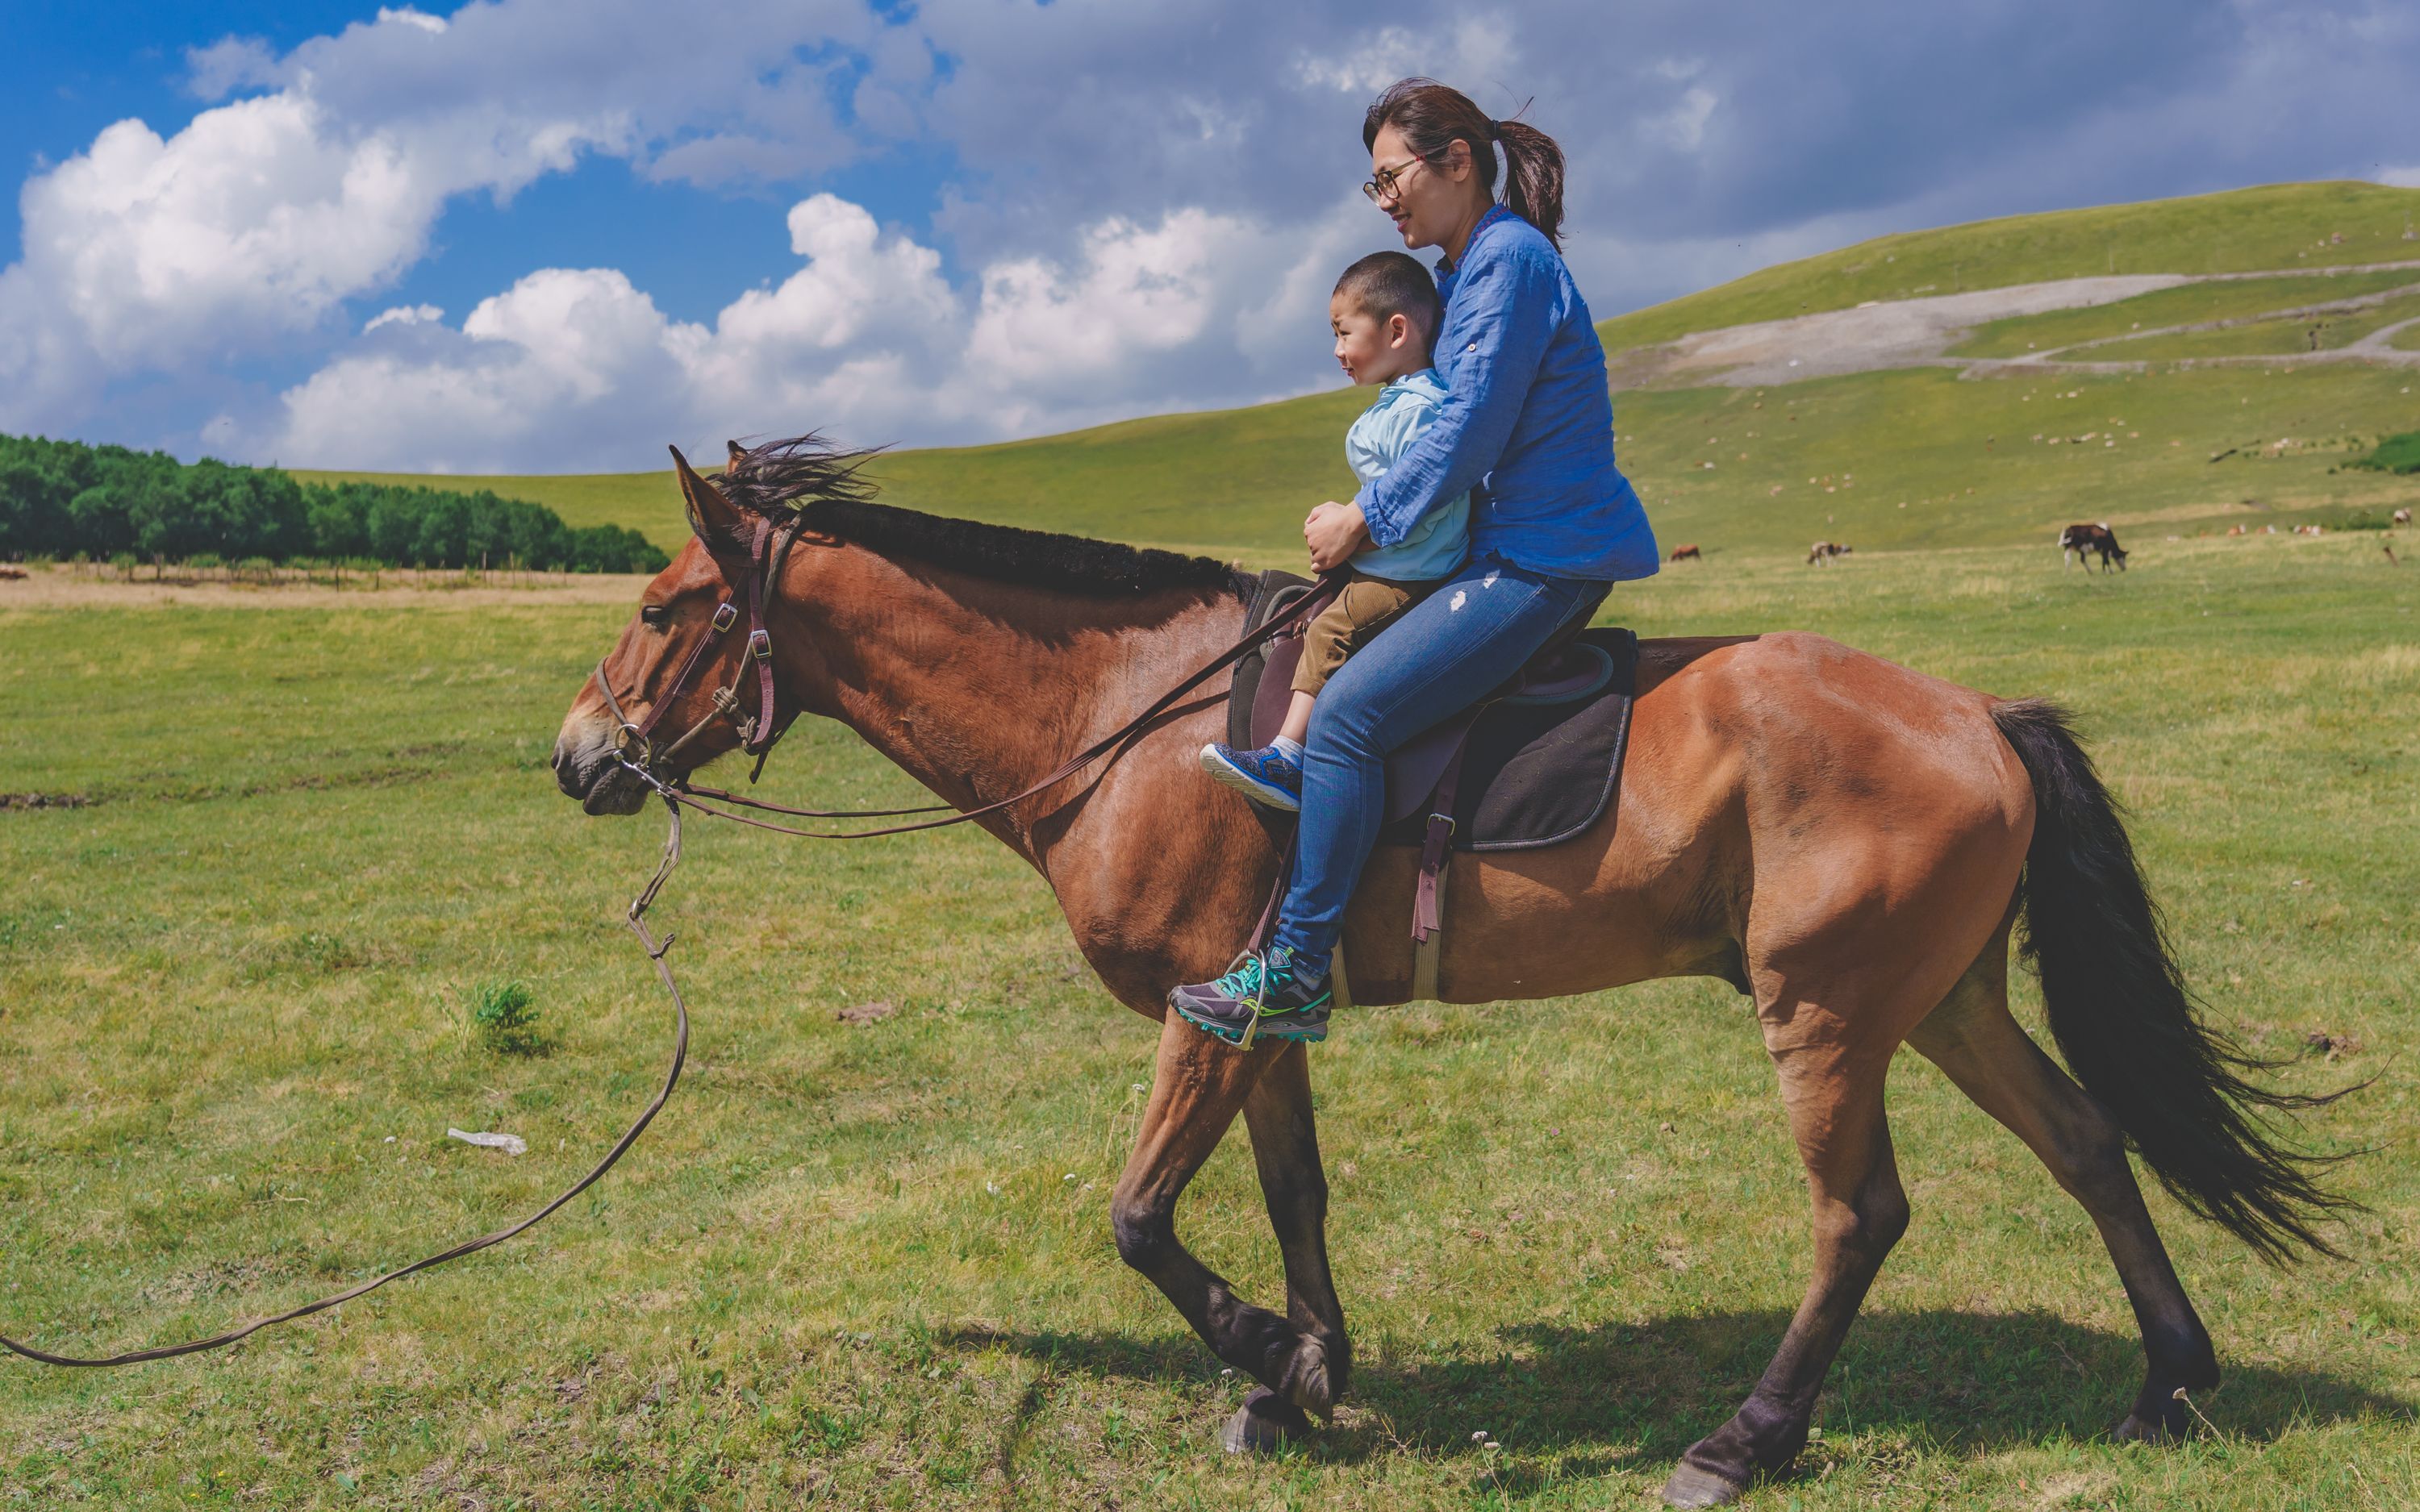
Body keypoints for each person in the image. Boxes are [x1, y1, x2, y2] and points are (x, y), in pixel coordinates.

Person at [1170, 77, 1660, 1047]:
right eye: (1374, 185)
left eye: (1392, 176)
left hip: (1542, 560)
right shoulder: (1474, 265)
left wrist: (1366, 519)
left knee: (1348, 719)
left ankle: (1300, 973)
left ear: (1457, 162)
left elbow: (1471, 427)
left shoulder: (1506, 261)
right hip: (1505, 548)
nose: (1385, 197)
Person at [1197, 250, 1470, 812]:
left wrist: (1353, 533)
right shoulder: (1400, 403)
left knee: (1332, 630)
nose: (1337, 350)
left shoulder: (1420, 411)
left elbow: (1420, 508)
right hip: (1393, 557)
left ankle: (1288, 756)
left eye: (1344, 333)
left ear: (1397, 330)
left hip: (1413, 572)